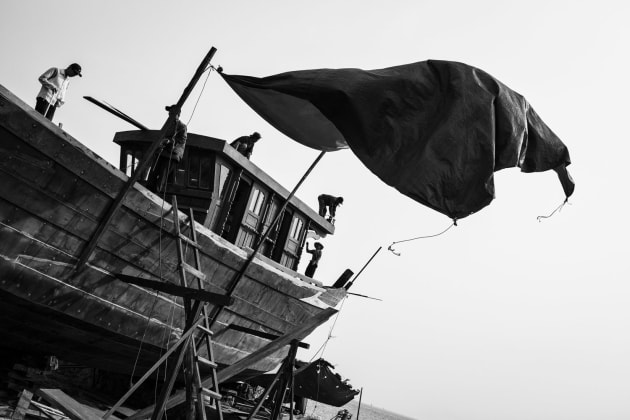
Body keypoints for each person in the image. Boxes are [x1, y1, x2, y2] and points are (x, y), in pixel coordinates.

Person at [146, 105, 188, 192]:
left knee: (162, 175)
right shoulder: (167, 125)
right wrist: (161, 142)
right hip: (162, 152)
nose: (169, 114)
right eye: (169, 113)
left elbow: (181, 140)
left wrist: (170, 141)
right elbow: (161, 136)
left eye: (171, 112)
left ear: (177, 114)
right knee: (153, 173)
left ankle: (155, 193)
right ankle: (148, 189)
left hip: (172, 155)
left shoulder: (182, 126)